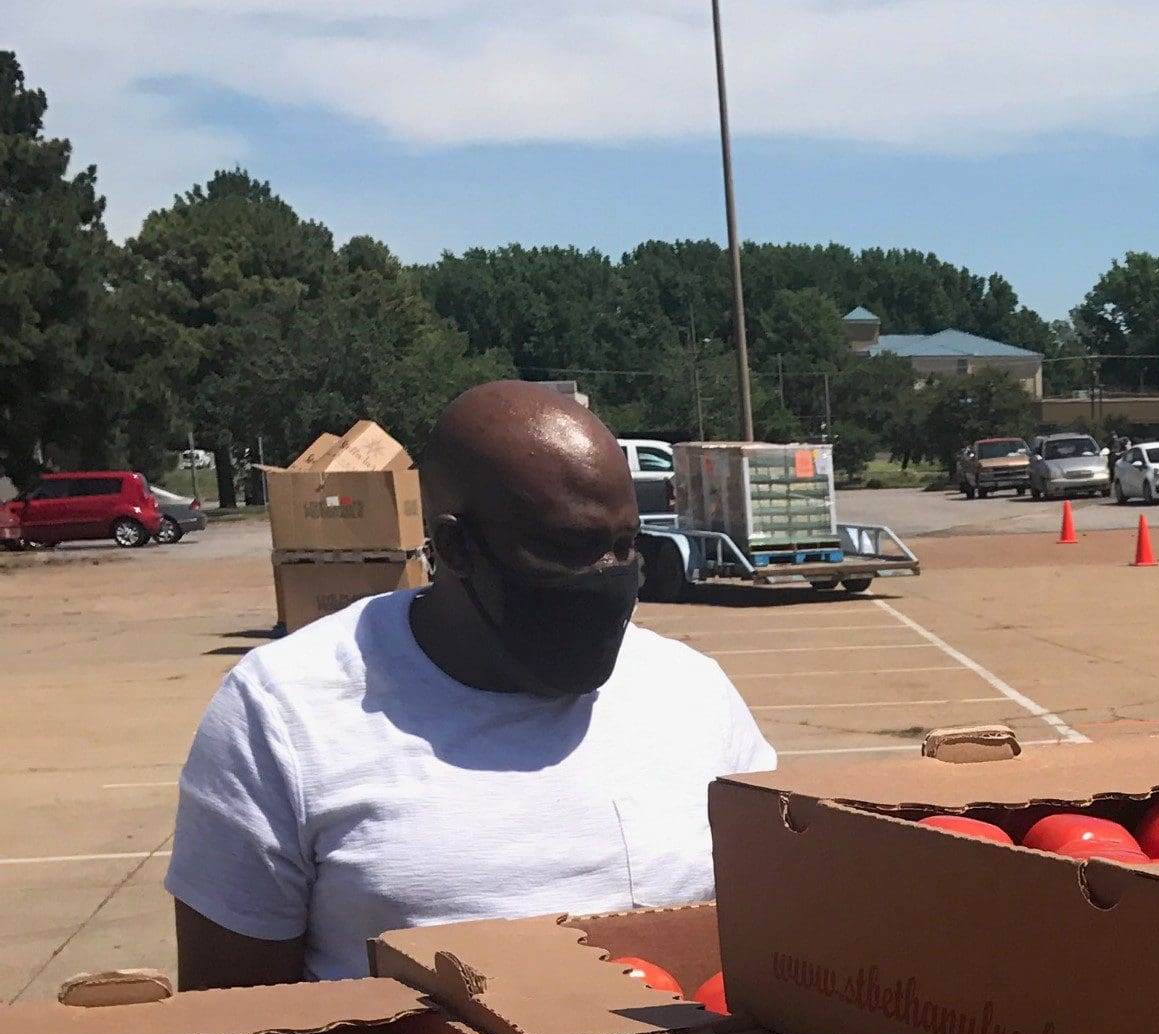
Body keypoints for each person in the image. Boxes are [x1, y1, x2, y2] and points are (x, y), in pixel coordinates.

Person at [168, 382, 774, 986]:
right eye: (572, 548)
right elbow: (232, 1022)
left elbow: (783, 933)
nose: (611, 577)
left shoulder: (692, 695)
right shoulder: (281, 713)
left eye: (625, 547)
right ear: (455, 546)